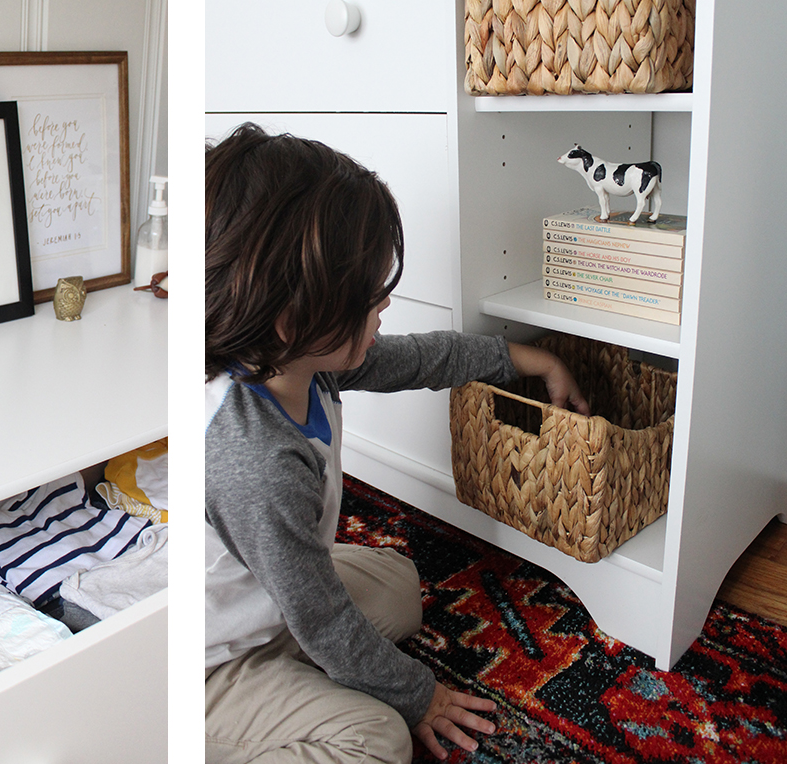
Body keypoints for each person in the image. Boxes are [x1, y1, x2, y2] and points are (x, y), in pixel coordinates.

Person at [204, 123, 590, 763]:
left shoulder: (302, 359)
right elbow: (324, 619)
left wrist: (528, 358)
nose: (385, 304)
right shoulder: (254, 460)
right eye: (368, 294)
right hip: (210, 662)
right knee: (376, 739)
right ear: (291, 316)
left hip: (266, 602)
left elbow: (421, 359)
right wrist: (420, 697)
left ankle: (301, 664)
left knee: (398, 588)